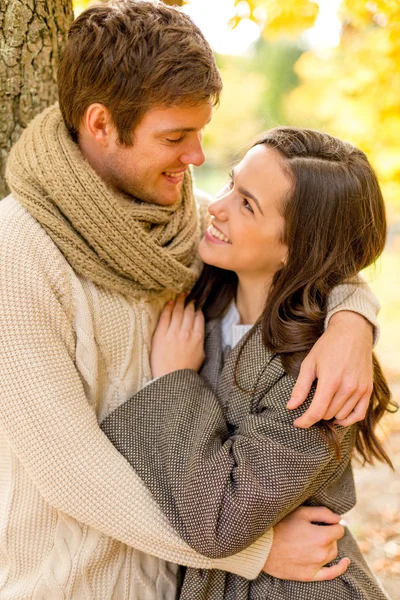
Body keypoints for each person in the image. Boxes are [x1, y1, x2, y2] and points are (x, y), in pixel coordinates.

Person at [0, 0, 380, 598]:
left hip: (176, 582)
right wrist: (256, 550)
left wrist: (353, 318)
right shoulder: (19, 253)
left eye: (201, 134)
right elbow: (72, 471)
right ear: (101, 125)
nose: (198, 159)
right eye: (176, 137)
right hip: (73, 582)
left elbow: (311, 250)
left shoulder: (180, 228)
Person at [101, 127, 395, 599]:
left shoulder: (315, 378)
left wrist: (176, 379)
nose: (216, 206)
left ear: (298, 249)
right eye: (231, 184)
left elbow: (219, 520)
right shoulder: (211, 295)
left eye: (247, 204)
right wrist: (355, 313)